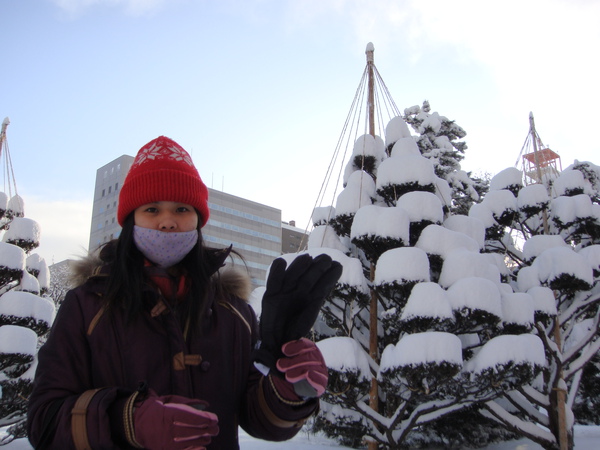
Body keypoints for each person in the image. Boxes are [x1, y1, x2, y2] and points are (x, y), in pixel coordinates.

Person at [27, 136, 342, 449]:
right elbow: (44, 421)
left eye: (181, 208)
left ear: (198, 219)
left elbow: (257, 417)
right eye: (151, 209)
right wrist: (128, 420)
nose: (167, 222)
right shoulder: (88, 306)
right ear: (130, 219)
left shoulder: (234, 312)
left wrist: (285, 389)